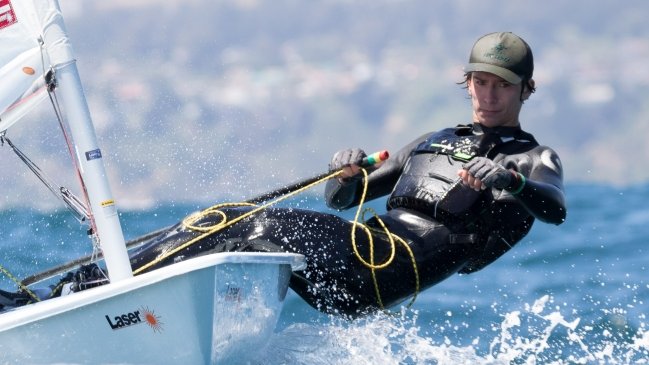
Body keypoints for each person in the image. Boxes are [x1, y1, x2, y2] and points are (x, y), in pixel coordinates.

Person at [2, 32, 566, 318]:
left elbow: (554, 207)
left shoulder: (533, 158)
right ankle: (81, 295)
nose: (489, 95)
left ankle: (73, 300)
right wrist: (344, 173)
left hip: (388, 272)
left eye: (503, 85)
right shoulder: (433, 140)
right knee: (219, 221)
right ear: (467, 83)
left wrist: (510, 182)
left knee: (244, 226)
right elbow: (343, 198)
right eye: (480, 82)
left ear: (524, 90)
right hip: (365, 251)